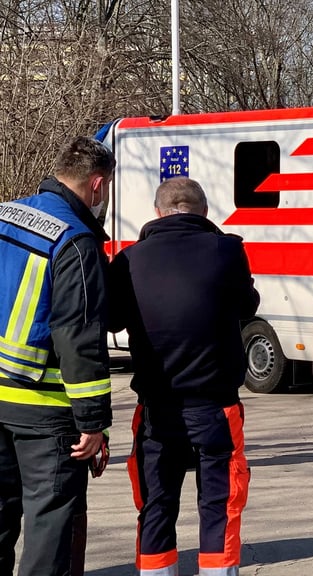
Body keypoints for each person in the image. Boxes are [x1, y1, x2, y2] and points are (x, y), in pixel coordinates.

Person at [108, 177, 259, 576]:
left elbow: (111, 319)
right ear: (204, 211)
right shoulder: (227, 250)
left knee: (155, 502)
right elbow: (248, 305)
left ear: (158, 212)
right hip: (215, 406)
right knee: (220, 502)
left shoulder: (129, 259)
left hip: (155, 407)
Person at [0, 136, 114, 576]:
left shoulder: (5, 213)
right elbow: (78, 337)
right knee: (49, 525)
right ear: (97, 185)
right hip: (43, 410)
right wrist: (93, 422)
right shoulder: (75, 240)